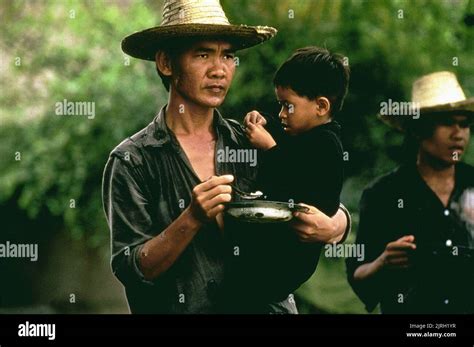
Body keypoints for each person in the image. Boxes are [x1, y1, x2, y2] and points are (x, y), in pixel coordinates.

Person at [102, 0, 350, 314]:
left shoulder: (249, 142)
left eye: (228, 55)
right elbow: (133, 269)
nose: (219, 70)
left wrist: (336, 226)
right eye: (203, 54)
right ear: (166, 62)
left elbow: (312, 187)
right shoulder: (133, 162)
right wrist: (191, 218)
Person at [346, 71, 474, 313]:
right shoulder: (383, 194)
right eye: (447, 123)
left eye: (464, 124)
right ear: (418, 129)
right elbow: (358, 274)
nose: (458, 133)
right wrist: (383, 262)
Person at [235, 46, 349, 295]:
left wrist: (268, 147)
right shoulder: (308, 133)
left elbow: (293, 180)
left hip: (287, 259)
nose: (281, 114)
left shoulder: (326, 145)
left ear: (320, 106)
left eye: (288, 106)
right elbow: (286, 136)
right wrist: (263, 120)